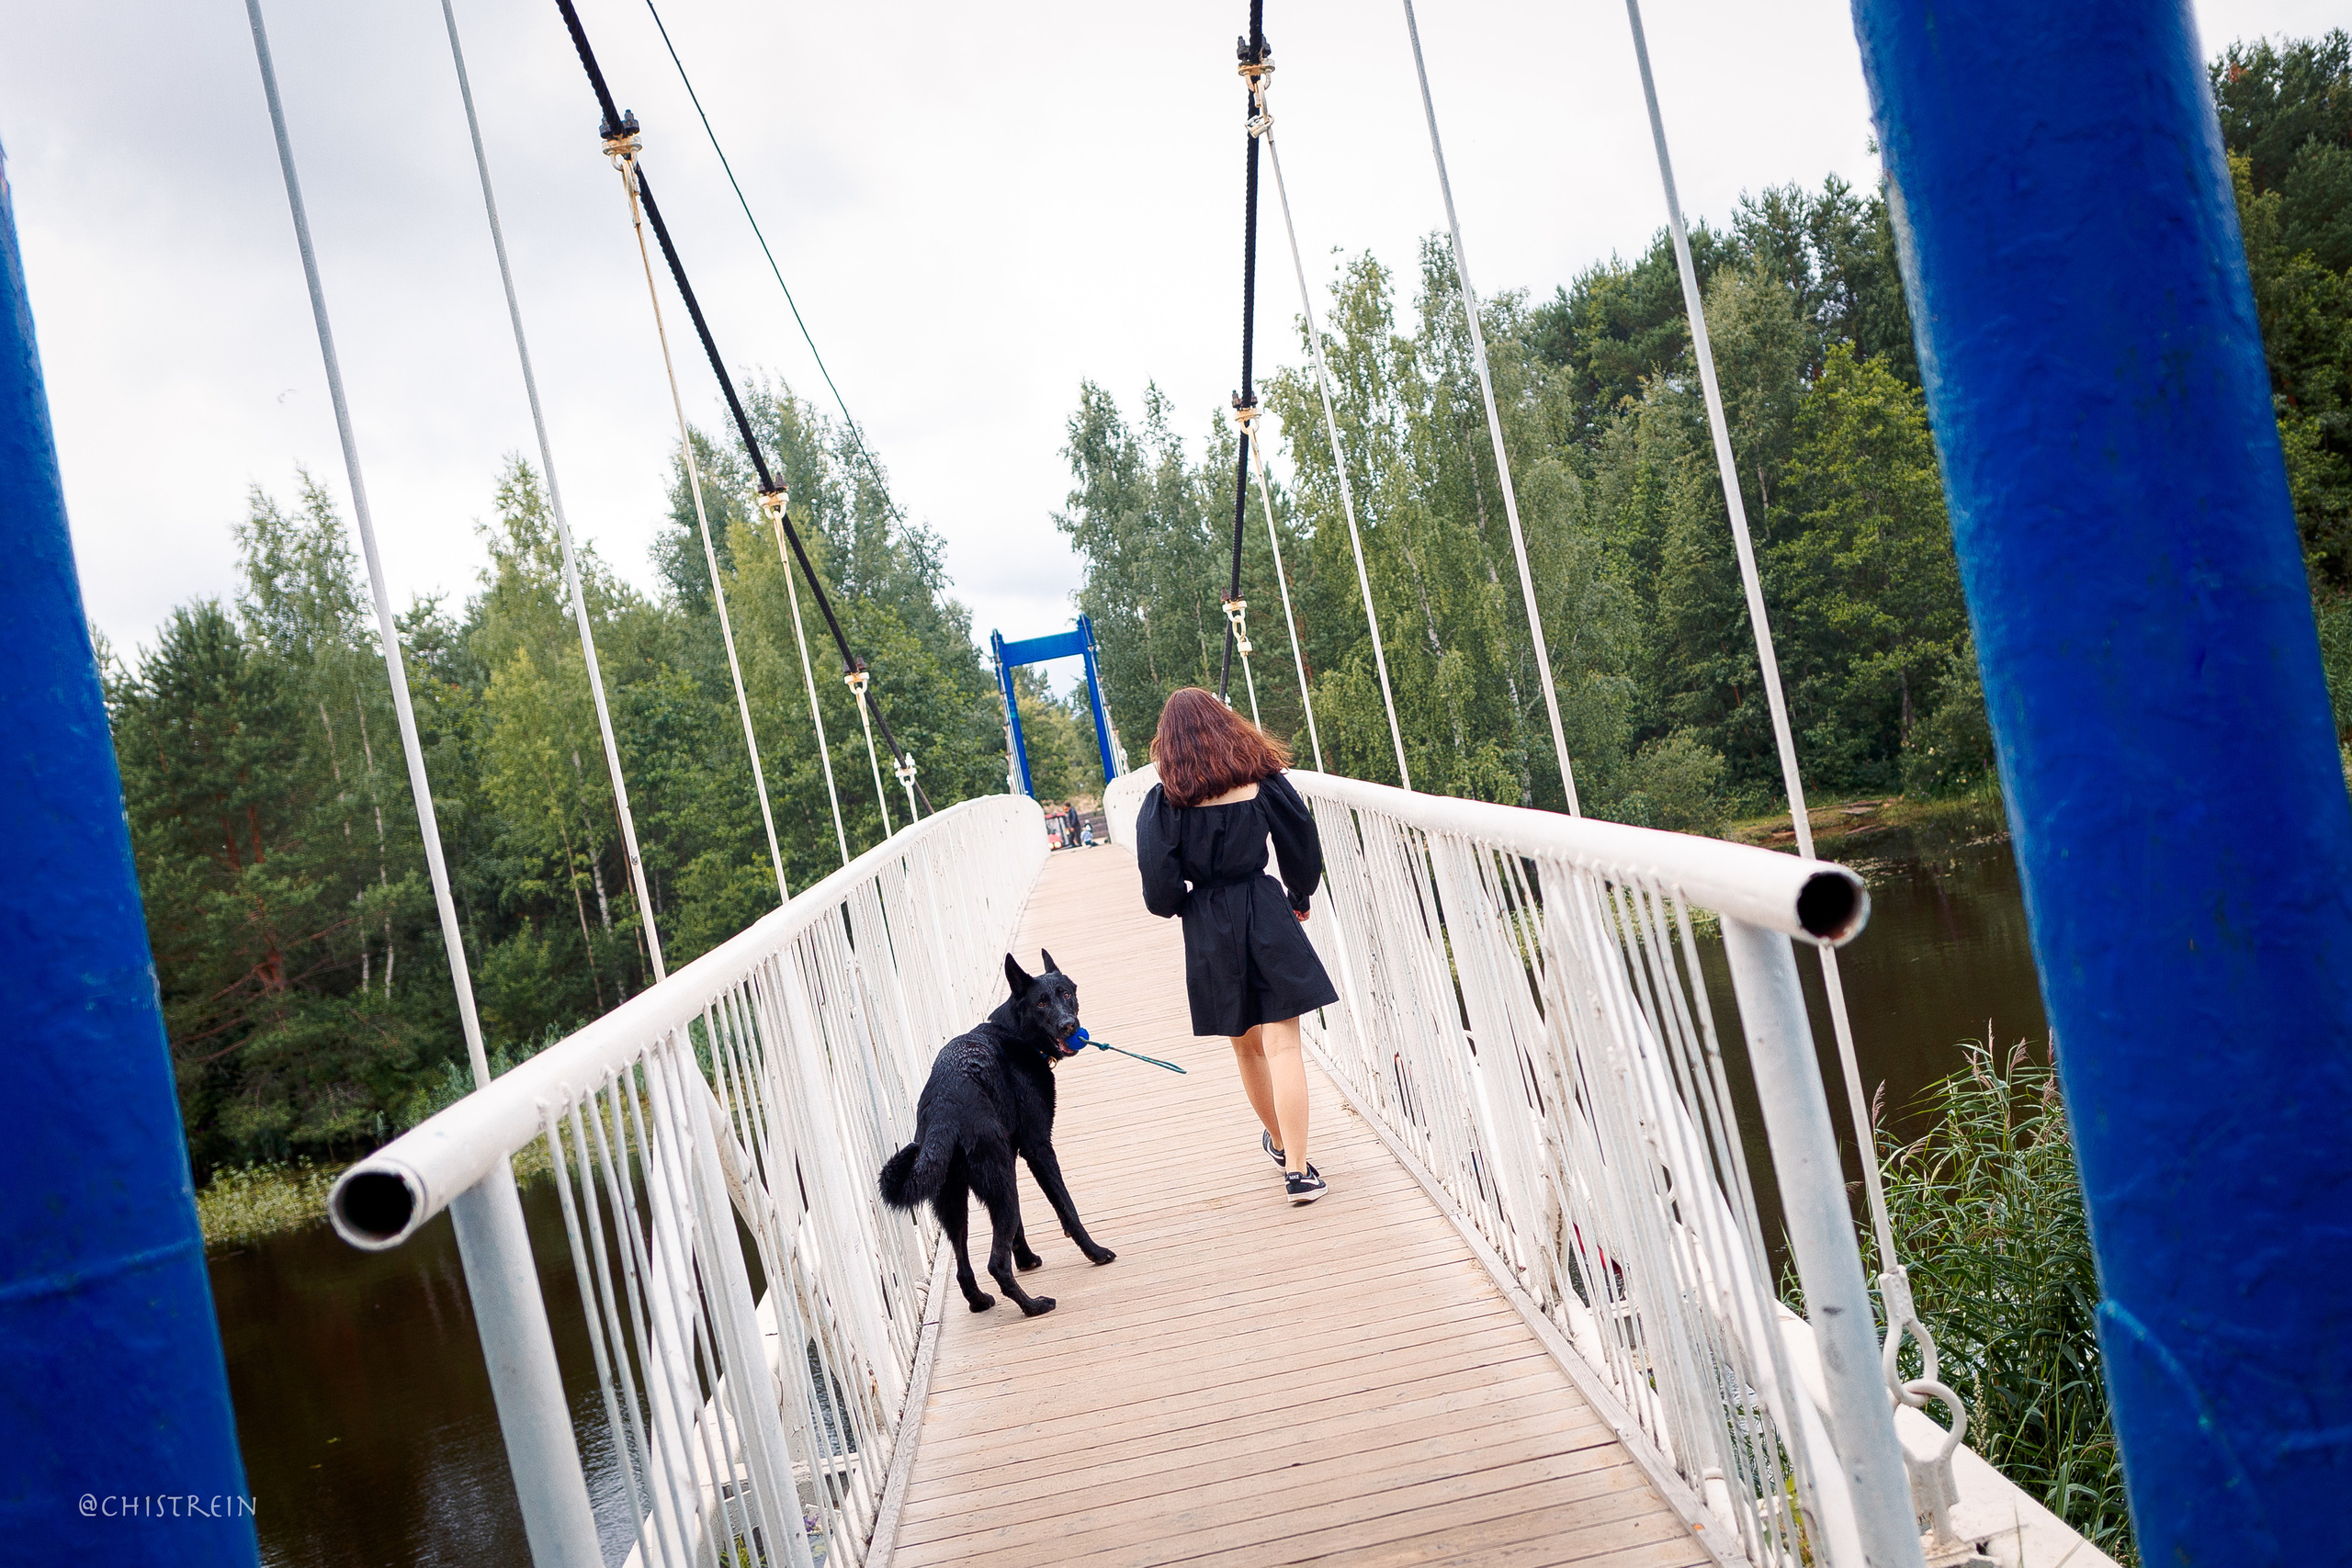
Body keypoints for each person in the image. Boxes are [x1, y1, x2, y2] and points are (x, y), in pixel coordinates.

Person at [1135, 687, 1339, 1203]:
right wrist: (1299, 893)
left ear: (1169, 743)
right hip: (1264, 910)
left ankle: (1277, 1139)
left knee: (1248, 1051)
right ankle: (1297, 1170)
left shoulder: (1164, 801)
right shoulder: (1263, 780)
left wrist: (1188, 905)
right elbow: (1301, 842)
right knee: (1285, 1045)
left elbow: (1159, 890)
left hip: (1207, 924)